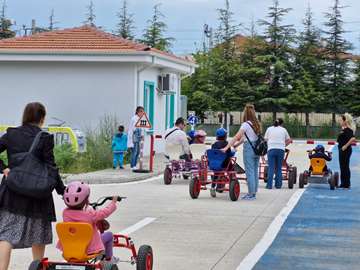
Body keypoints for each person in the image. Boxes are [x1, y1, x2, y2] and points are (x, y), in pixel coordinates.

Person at [0, 102, 65, 270]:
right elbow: (51, 168)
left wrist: (4, 168)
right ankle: (37, 267)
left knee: (6, 234)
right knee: (38, 233)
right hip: (38, 192)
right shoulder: (45, 137)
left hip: (13, 191)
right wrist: (63, 191)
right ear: (42, 118)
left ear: (25, 116)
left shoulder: (11, 134)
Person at [60, 181, 120, 263]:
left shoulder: (65, 213)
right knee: (109, 235)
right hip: (89, 249)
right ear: (86, 200)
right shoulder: (90, 214)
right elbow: (104, 212)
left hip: (71, 247)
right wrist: (113, 202)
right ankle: (109, 259)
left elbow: (78, 215)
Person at [223, 104, 260, 200]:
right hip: (257, 149)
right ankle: (254, 191)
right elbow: (246, 138)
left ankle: (251, 194)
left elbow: (236, 137)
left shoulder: (245, 125)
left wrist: (227, 147)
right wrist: (237, 145)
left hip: (249, 149)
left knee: (249, 171)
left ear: (246, 113)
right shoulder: (256, 124)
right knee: (255, 170)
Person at [264, 118, 292, 189]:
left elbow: (265, 140)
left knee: (271, 168)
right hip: (280, 150)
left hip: (271, 149)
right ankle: (278, 185)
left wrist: (270, 145)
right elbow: (289, 140)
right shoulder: (284, 130)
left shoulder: (269, 129)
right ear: (282, 124)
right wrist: (283, 145)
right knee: (279, 168)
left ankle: (269, 185)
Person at [209, 128, 234, 197]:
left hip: (215, 164)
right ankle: (232, 180)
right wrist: (234, 151)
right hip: (225, 164)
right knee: (231, 167)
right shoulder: (226, 144)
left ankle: (213, 187)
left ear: (217, 136)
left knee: (216, 174)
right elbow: (229, 154)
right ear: (225, 136)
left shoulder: (214, 145)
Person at [337, 113, 356, 189]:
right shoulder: (344, 129)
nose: (340, 121)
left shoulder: (348, 129)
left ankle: (347, 184)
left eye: (341, 120)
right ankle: (343, 183)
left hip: (346, 150)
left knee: (345, 167)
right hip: (341, 150)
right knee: (342, 167)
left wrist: (345, 146)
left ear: (345, 121)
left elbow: (353, 138)